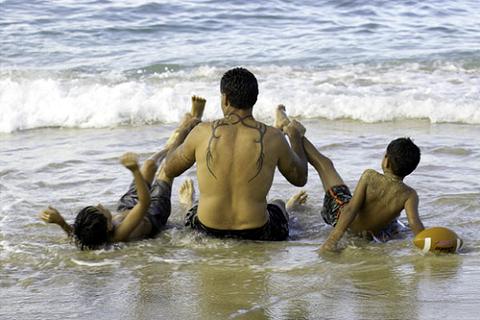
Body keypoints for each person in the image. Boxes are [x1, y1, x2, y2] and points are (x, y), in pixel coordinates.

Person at [39, 96, 205, 250]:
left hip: (127, 206)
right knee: (166, 170)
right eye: (101, 210)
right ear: (109, 227)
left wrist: (61, 222)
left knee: (148, 165)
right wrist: (134, 172)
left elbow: (77, 237)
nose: (99, 204)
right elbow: (145, 203)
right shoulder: (120, 234)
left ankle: (169, 147)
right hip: (152, 212)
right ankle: (188, 128)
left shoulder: (92, 234)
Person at [163, 67, 308, 241]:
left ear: (225, 98)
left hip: (206, 229)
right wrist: (294, 136)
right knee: (278, 204)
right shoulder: (274, 138)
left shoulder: (201, 132)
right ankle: (289, 206)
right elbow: (300, 178)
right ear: (254, 99)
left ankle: (187, 203)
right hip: (258, 232)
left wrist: (186, 127)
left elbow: (169, 169)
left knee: (195, 209)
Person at [274, 106, 425, 252]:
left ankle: (290, 129)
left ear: (386, 160)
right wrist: (428, 244)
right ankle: (288, 127)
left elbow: (350, 210)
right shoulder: (410, 195)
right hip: (366, 232)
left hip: (338, 213)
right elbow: (415, 224)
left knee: (324, 164)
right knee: (394, 223)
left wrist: (332, 241)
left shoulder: (370, 176)